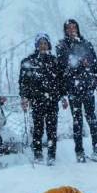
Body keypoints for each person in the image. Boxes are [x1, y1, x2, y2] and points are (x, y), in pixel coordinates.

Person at [56, 19, 97, 163]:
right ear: (65, 30)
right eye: (69, 28)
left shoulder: (87, 44)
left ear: (78, 28)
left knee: (92, 118)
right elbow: (62, 68)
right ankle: (79, 152)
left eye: (74, 27)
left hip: (88, 86)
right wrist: (79, 66)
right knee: (77, 120)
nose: (72, 30)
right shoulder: (62, 46)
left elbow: (95, 65)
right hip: (73, 88)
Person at [19, 33, 66, 165]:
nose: (43, 46)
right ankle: (38, 154)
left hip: (52, 100)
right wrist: (24, 98)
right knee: (38, 129)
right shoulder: (29, 61)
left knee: (52, 130)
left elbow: (61, 82)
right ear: (36, 45)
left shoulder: (54, 61)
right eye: (40, 43)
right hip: (37, 100)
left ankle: (51, 156)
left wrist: (63, 97)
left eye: (45, 43)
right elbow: (24, 82)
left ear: (49, 45)